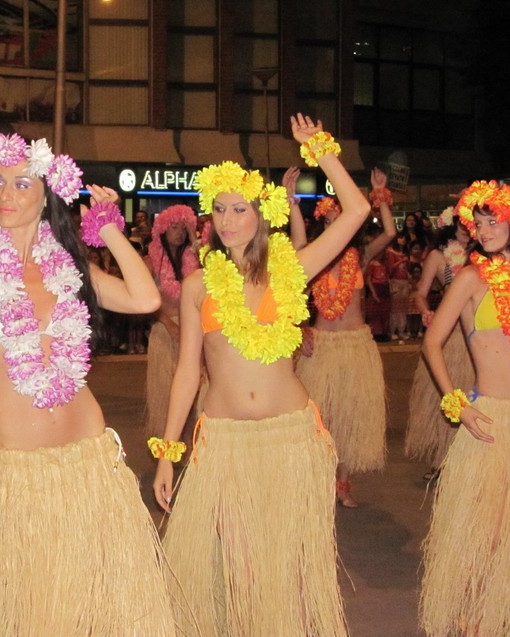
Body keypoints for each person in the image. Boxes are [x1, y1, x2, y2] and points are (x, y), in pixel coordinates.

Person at [0, 133, 175, 635]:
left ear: (47, 193)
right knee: (31, 615)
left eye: (22, 183)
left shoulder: (70, 268)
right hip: (15, 471)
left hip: (90, 461)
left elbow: (146, 300)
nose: (6, 195)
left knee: (97, 612)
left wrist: (110, 231)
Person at [152, 114, 370, 636]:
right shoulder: (198, 285)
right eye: (220, 210)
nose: (228, 221)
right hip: (223, 441)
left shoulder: (292, 267)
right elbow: (187, 372)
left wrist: (319, 147)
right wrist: (166, 453)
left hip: (290, 436)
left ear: (261, 214)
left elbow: (358, 209)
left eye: (240, 209)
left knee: (284, 567)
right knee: (238, 565)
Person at [420, 180, 510, 637]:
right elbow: (431, 343)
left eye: (492, 220)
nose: (484, 230)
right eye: (477, 224)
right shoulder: (470, 278)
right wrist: (456, 403)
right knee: (492, 530)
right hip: (493, 419)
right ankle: (478, 617)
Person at [294, 168, 397, 507]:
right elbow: (296, 248)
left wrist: (379, 195)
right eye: (329, 222)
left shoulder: (361, 257)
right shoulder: (314, 260)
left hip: (355, 346)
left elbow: (390, 231)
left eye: (341, 219)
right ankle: (317, 478)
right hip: (321, 346)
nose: (335, 226)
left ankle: (343, 483)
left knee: (351, 418)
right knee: (320, 417)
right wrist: (292, 202)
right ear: (324, 227)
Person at [405, 207, 475, 480]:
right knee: (446, 396)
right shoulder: (438, 256)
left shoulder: (485, 254)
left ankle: (471, 461)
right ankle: (441, 459)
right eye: (464, 220)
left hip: (478, 335)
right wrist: (425, 312)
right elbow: (420, 292)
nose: (468, 226)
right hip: (450, 336)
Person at [143, 204, 200, 436]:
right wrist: (169, 323)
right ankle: (166, 442)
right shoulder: (150, 262)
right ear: (163, 230)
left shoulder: (195, 263)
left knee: (195, 390)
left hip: (193, 331)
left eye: (183, 228)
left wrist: (195, 239)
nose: (179, 232)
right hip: (165, 331)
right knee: (166, 392)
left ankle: (191, 441)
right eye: (174, 227)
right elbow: (146, 302)